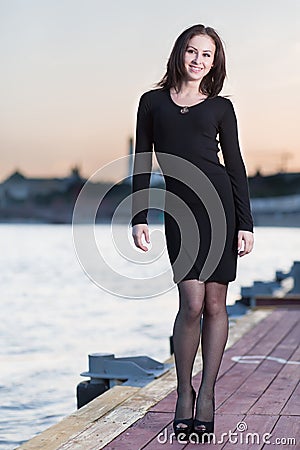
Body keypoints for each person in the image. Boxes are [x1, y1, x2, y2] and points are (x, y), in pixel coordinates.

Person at [131, 24, 254, 443]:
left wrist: (246, 224)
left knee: (216, 304)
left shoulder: (221, 108)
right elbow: (142, 161)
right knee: (191, 302)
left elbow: (235, 167)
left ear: (215, 62)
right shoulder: (151, 103)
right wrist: (139, 215)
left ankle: (207, 396)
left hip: (220, 207)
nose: (199, 60)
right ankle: (183, 392)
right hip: (180, 212)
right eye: (192, 51)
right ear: (179, 54)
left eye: (207, 54)